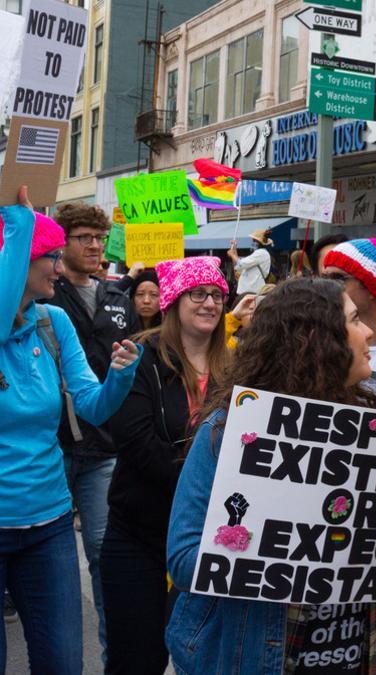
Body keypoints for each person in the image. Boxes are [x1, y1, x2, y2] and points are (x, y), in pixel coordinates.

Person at [164, 278, 376, 674]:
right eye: (354, 320)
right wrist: (285, 542)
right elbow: (182, 559)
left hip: (357, 653)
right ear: (317, 341)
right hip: (254, 655)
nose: (369, 331)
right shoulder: (227, 432)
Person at [0, 191, 141, 673]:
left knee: (62, 663)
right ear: (16, 258)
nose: (59, 270)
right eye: (51, 257)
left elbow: (92, 406)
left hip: (49, 524)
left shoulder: (52, 321)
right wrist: (20, 221)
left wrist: (120, 376)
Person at [101, 256, 231, 674]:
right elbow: (138, 443)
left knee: (204, 658)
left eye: (216, 295)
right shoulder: (139, 358)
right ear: (174, 301)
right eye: (198, 294)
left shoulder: (236, 366)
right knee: (137, 659)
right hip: (141, 536)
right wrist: (204, 487)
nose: (209, 303)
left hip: (208, 540)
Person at [43, 199, 136, 660]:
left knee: (102, 550)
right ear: (62, 243)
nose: (96, 246)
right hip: (53, 444)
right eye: (85, 238)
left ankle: (111, 658)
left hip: (104, 445)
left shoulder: (119, 298)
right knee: (46, 557)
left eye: (100, 238)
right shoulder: (43, 297)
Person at [321, 237, 376, 393]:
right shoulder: (319, 342)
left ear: (372, 287)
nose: (327, 286)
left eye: (338, 278)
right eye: (324, 278)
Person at [227, 228, 275, 295]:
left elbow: (241, 263)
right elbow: (238, 267)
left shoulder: (261, 253)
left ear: (257, 242)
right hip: (248, 291)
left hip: (252, 292)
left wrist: (232, 254)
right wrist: (234, 249)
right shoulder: (257, 254)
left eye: (253, 241)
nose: (252, 243)